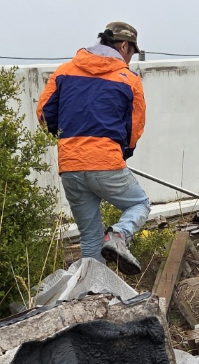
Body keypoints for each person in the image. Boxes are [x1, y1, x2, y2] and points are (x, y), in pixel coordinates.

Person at [36, 21, 151, 270]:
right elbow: (135, 126)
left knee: (90, 237)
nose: (130, 59)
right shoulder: (129, 79)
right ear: (124, 46)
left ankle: (93, 296)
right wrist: (121, 151)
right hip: (105, 161)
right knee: (139, 204)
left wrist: (67, 138)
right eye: (132, 52)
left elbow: (44, 113)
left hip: (70, 164)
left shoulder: (65, 71)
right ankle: (119, 235)